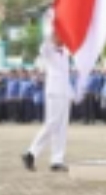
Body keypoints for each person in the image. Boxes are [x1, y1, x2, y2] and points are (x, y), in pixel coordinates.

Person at [22, 22, 75, 173]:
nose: (62, 38)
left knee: (61, 127)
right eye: (59, 35)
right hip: (54, 92)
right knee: (52, 123)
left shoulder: (65, 52)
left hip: (65, 92)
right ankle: (31, 153)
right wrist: (52, 26)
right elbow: (44, 44)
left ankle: (57, 160)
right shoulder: (48, 50)